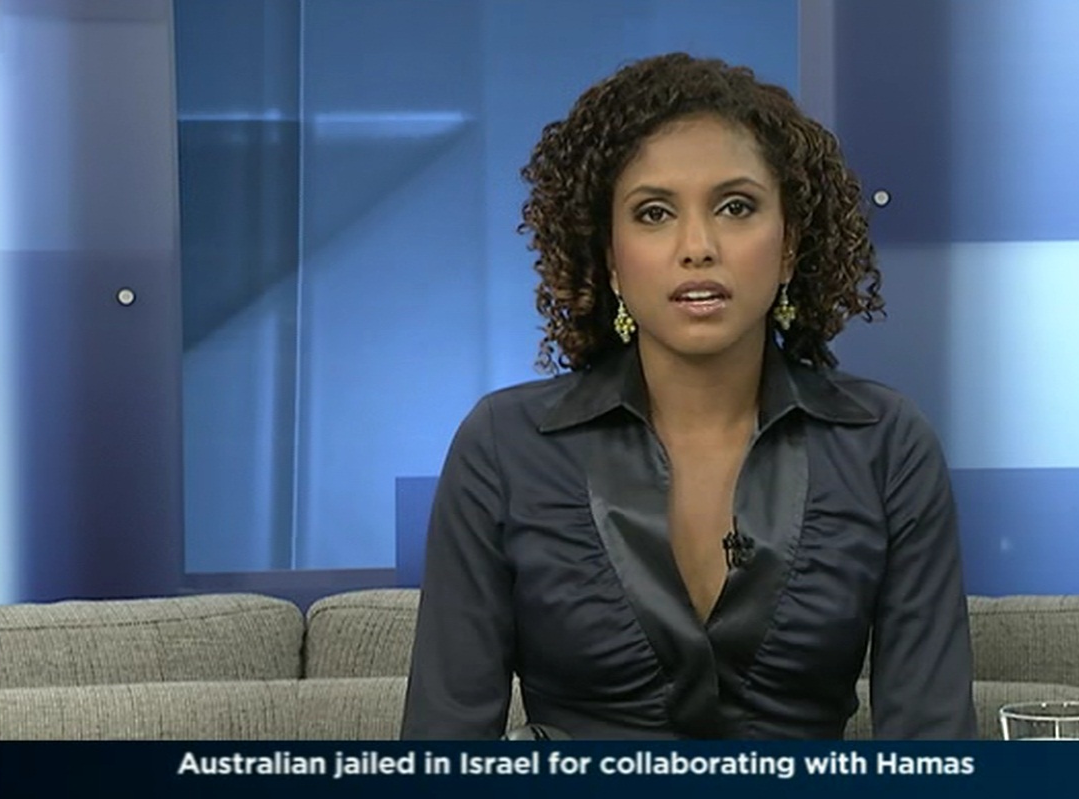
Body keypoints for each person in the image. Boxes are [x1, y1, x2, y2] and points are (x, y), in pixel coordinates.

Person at [401, 52, 974, 740]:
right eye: (653, 213)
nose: (697, 246)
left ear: (789, 245)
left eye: (736, 207)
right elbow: (443, 752)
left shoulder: (884, 443)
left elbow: (934, 748)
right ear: (610, 258)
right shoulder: (504, 446)